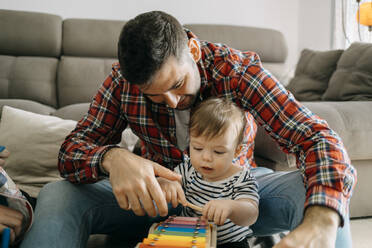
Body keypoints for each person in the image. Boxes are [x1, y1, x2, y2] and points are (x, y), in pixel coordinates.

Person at [20, 10, 356, 248]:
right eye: (154, 95)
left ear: (192, 51)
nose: (170, 101)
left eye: (178, 84)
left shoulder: (236, 72)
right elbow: (71, 152)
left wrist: (322, 222)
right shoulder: (122, 82)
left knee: (319, 195)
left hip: (236, 197)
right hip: (154, 200)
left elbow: (316, 137)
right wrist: (112, 158)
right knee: (58, 193)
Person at [158, 98, 259, 247]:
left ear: (236, 151)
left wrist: (231, 207)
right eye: (198, 148)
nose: (206, 158)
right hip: (190, 237)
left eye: (218, 152)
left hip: (229, 243)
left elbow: (251, 214)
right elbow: (166, 181)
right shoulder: (188, 169)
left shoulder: (241, 178)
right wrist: (166, 184)